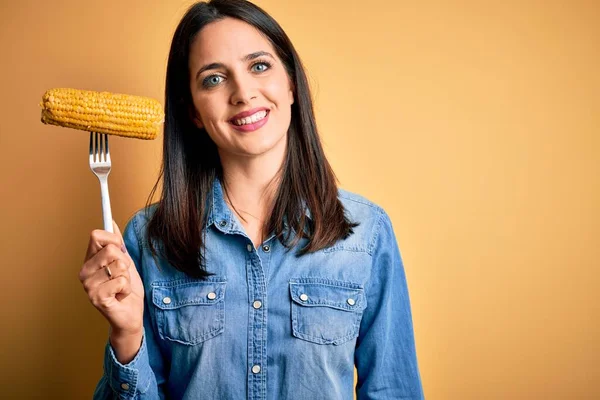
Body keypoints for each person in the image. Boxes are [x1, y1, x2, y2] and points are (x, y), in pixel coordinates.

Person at [79, 0, 424, 398]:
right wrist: (126, 335)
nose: (243, 93)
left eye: (259, 66)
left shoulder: (367, 233)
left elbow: (394, 390)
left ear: (291, 83)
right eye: (213, 79)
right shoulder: (148, 238)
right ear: (192, 110)